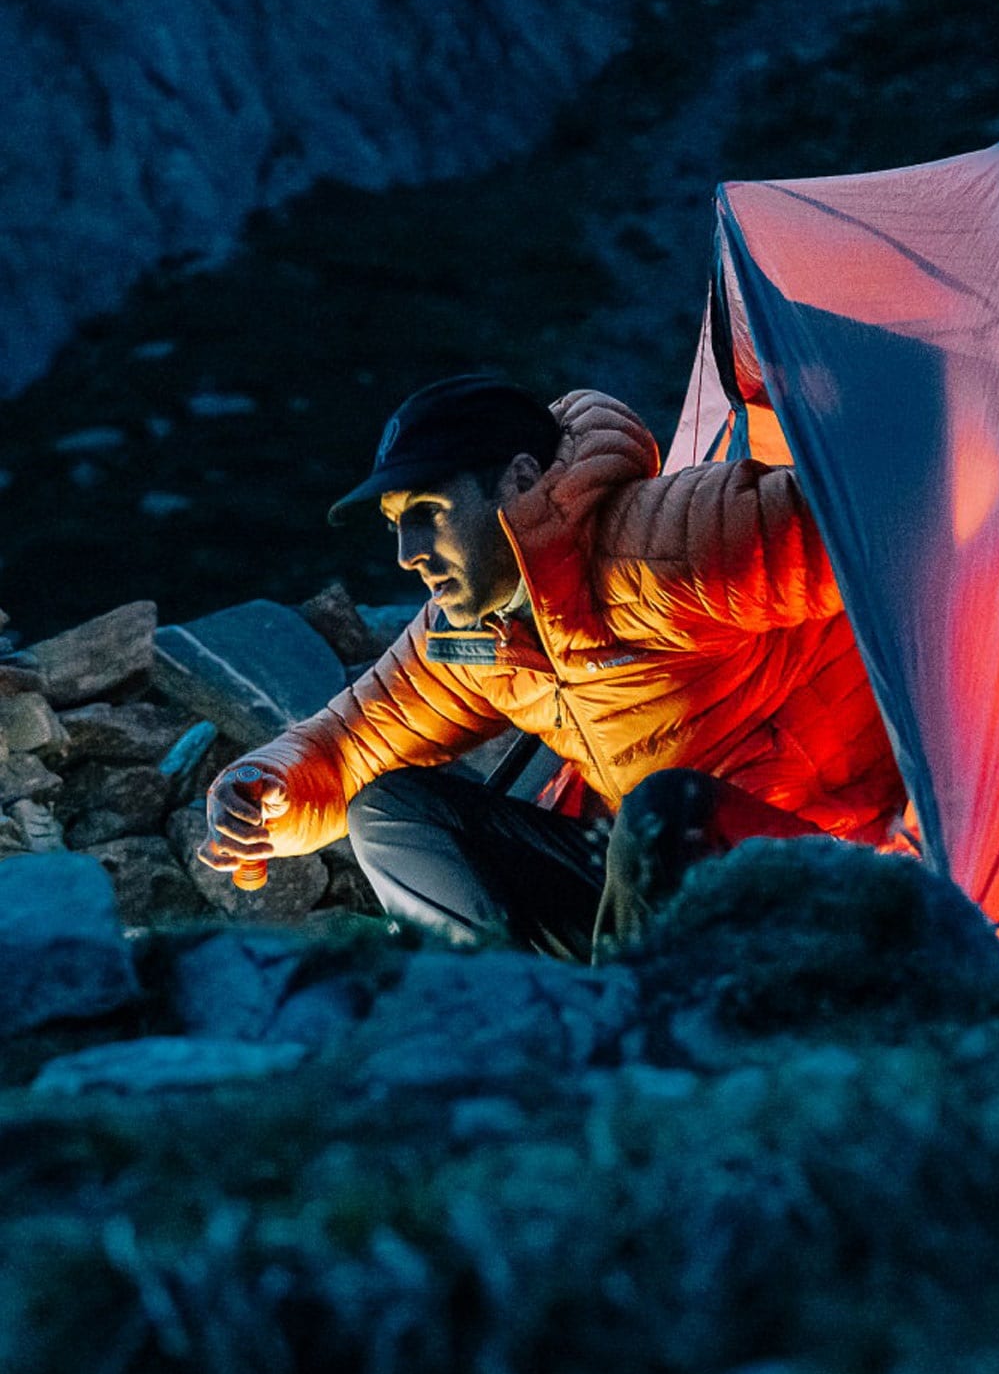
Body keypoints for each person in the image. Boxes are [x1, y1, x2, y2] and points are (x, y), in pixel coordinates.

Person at [200, 374, 909, 961]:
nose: (407, 552)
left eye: (428, 512)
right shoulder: (472, 633)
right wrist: (269, 790)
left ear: (520, 479)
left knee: (665, 808)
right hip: (646, 890)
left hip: (812, 862)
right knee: (389, 811)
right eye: (395, 525)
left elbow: (886, 517)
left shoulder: (667, 546)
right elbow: (350, 741)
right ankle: (512, 1013)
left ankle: (635, 1036)